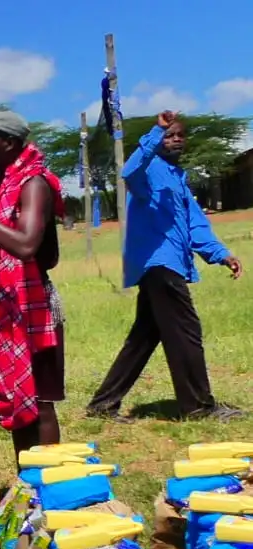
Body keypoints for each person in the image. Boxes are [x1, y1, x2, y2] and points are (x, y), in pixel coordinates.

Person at [87, 110, 245, 422]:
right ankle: (198, 406)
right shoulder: (147, 173)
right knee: (186, 331)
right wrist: (154, 133)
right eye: (169, 135)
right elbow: (129, 172)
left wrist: (221, 254)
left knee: (144, 337)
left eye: (179, 135)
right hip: (159, 264)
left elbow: (196, 226)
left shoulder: (179, 180)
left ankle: (102, 406)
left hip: (168, 265)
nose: (175, 140)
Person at [0, 110, 69, 453]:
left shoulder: (34, 183)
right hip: (6, 307)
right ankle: (27, 486)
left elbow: (26, 243)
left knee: (39, 403)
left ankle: (48, 488)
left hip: (33, 308)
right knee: (19, 403)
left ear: (9, 143)